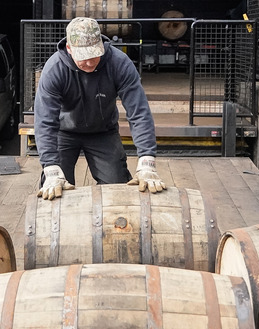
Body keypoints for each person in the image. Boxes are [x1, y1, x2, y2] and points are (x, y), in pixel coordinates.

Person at [34, 17, 166, 200]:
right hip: (63, 133)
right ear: (69, 49)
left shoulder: (119, 64)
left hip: (103, 132)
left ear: (102, 46)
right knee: (56, 190)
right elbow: (44, 121)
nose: (89, 62)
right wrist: (49, 166)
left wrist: (147, 160)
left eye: (94, 54)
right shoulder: (54, 70)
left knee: (119, 189)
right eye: (83, 57)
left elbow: (139, 112)